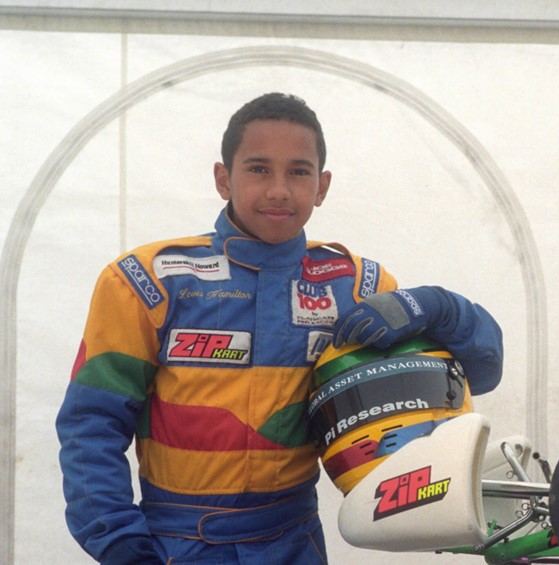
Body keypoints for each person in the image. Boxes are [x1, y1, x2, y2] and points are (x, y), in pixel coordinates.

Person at [55, 92, 504, 565]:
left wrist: (439, 307)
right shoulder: (149, 280)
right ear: (222, 178)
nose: (278, 190)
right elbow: (92, 424)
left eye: (298, 171)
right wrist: (122, 546)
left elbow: (478, 375)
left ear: (322, 186)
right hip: (174, 542)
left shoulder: (355, 284)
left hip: (293, 540)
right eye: (258, 169)